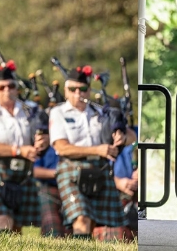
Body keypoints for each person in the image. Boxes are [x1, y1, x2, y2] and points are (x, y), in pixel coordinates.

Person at [50, 66, 136, 241]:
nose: (77, 93)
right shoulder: (58, 112)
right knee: (81, 218)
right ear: (65, 91)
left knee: (97, 223)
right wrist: (97, 150)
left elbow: (132, 136)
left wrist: (120, 134)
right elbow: (61, 147)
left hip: (100, 169)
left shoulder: (101, 112)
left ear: (89, 90)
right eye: (72, 89)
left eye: (82, 89)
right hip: (71, 169)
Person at [0, 62, 43, 233]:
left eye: (11, 86)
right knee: (2, 220)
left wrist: (42, 142)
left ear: (17, 88)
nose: (6, 91)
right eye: (1, 87)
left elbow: (41, 135)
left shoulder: (29, 111)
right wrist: (18, 150)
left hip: (23, 174)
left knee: (18, 227)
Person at [32, 115, 66, 237]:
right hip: (48, 189)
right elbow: (34, 170)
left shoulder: (69, 141)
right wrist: (58, 173)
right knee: (53, 230)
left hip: (70, 187)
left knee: (71, 230)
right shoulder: (43, 143)